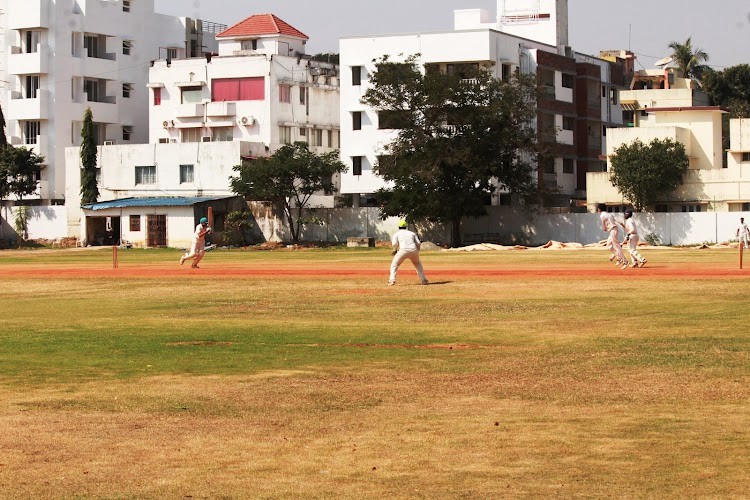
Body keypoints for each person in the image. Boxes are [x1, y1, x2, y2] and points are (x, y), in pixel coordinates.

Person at [389, 220, 428, 286]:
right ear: (406, 227)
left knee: (394, 265)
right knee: (418, 264)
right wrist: (417, 251)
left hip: (403, 250)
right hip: (413, 250)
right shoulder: (412, 233)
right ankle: (423, 279)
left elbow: (394, 244)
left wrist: (395, 250)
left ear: (399, 227)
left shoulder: (397, 234)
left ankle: (392, 280)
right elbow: (418, 243)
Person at [596, 203, 627, 269]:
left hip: (613, 230)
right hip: (613, 230)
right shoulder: (609, 214)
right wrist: (623, 225)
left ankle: (625, 262)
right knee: (609, 245)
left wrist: (604, 228)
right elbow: (617, 220)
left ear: (599, 209)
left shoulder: (602, 215)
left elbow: (603, 224)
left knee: (617, 247)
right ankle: (619, 258)